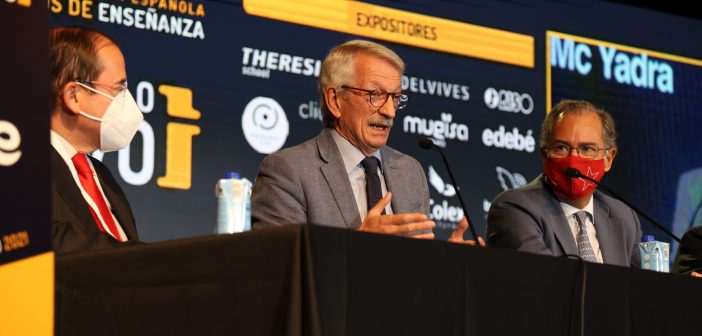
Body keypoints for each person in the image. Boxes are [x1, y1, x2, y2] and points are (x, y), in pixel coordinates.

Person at [251, 39, 478, 244]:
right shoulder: (288, 171)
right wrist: (360, 245)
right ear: (335, 100)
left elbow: (414, 272)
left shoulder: (410, 172)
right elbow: (280, 266)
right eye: (375, 95)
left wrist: (447, 263)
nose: (390, 111)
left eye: (395, 97)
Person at [486, 99, 641, 266]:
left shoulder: (624, 218)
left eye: (587, 149)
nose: (573, 159)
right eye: (561, 147)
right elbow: (546, 281)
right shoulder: (515, 208)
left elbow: (644, 288)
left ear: (608, 159)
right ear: (545, 156)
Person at [50, 27, 143, 254]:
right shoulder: (16, 168)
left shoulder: (102, 177)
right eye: (118, 88)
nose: (126, 100)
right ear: (74, 96)